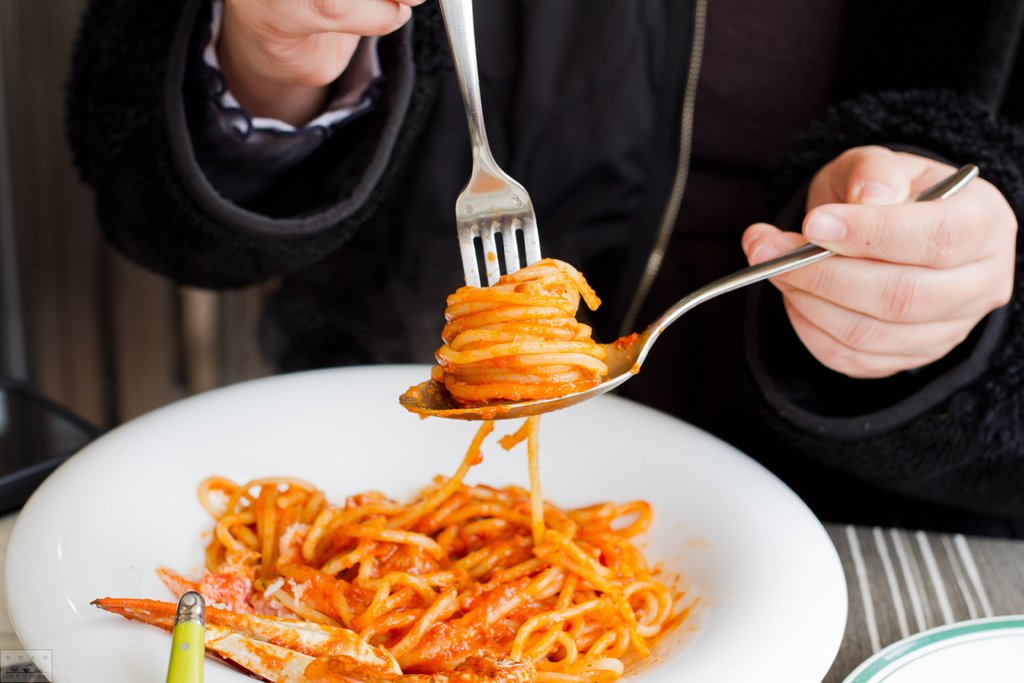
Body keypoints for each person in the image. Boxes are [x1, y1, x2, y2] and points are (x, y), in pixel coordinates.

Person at [66, 0, 1024, 535]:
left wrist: (951, 302)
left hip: (877, 536)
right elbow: (151, 204)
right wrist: (273, 56)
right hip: (372, 455)